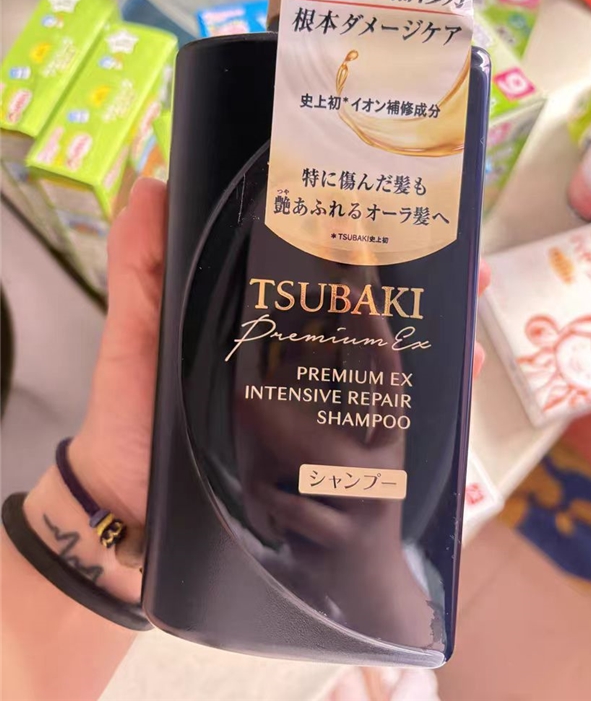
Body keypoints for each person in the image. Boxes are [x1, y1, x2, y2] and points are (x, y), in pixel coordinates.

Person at [1, 178, 490, 701]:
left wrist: (376, 574)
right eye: (285, 339)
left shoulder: (397, 530)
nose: (322, 366)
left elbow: (417, 643)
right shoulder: (196, 504)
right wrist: (117, 501)